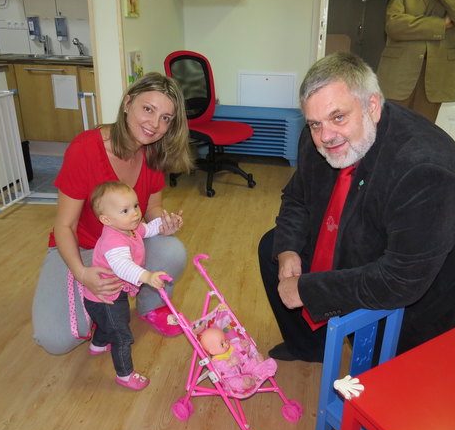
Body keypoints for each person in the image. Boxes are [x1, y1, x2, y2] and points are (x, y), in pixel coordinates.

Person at [258, 52, 455, 363]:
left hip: (421, 286)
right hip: (361, 236)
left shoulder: (425, 168)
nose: (325, 137)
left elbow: (400, 281)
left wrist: (308, 290)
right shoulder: (320, 136)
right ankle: (310, 346)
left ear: (372, 107)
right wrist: (288, 250)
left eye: (338, 117)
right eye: (314, 123)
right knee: (272, 245)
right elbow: (297, 197)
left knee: (382, 380)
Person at [33, 72, 192, 355]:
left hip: (125, 246)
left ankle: (150, 306)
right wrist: (82, 273)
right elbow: (64, 226)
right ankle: (97, 306)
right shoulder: (85, 149)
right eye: (148, 109)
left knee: (171, 250)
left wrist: (162, 222)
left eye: (166, 118)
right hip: (80, 248)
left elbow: (152, 207)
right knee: (56, 342)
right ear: (127, 103)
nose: (155, 125)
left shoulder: (153, 151)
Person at [79, 181, 183, 390]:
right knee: (121, 335)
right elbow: (123, 267)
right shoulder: (113, 241)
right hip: (104, 298)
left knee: (113, 322)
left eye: (135, 206)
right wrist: (147, 277)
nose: (135, 213)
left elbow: (149, 228)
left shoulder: (128, 227)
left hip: (113, 293)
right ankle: (125, 374)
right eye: (125, 210)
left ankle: (98, 345)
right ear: (106, 220)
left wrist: (165, 223)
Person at [376, 0, 455, 123]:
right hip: (399, 70)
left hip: (437, 72)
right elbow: (394, 26)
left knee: (422, 132)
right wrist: (441, 24)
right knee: (388, 128)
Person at [199, 327, 277, 395]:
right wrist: (229, 364)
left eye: (226, 340)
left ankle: (259, 369)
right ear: (212, 351)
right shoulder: (216, 361)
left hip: (243, 366)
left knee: (254, 360)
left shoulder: (231, 346)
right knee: (233, 383)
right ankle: (247, 383)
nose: (226, 344)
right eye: (222, 344)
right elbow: (221, 367)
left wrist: (242, 345)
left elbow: (238, 346)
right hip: (231, 377)